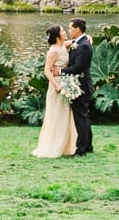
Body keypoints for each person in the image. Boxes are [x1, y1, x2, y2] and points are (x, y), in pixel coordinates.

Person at [32, 25, 78, 158]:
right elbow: (46, 70)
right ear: (57, 35)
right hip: (57, 85)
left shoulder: (63, 46)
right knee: (57, 114)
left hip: (66, 82)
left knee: (66, 114)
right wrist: (57, 85)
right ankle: (54, 146)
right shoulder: (53, 51)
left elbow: (75, 41)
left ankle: (67, 146)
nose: (65, 32)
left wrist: (88, 37)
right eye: (63, 31)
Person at [59, 18, 94, 156]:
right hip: (79, 84)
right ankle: (88, 146)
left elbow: (78, 67)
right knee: (83, 116)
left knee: (81, 117)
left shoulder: (84, 45)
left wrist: (61, 71)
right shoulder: (79, 43)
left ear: (77, 29)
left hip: (81, 85)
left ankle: (81, 149)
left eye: (70, 28)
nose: (69, 31)